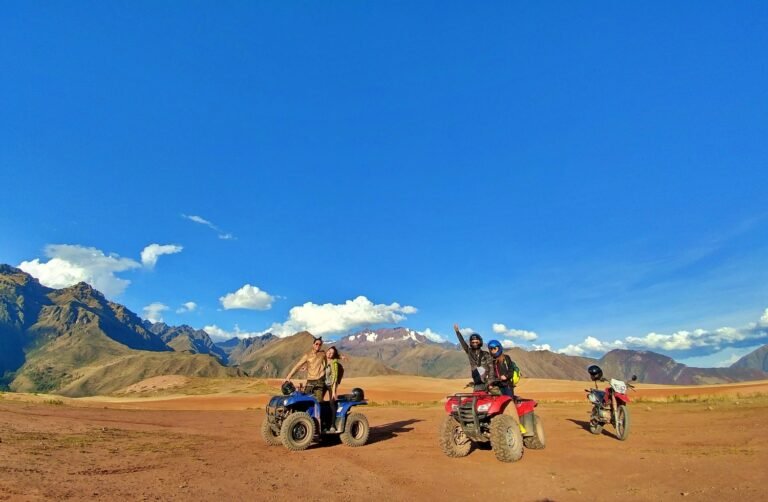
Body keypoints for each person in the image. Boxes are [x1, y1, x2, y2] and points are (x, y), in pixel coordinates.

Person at [284, 336, 327, 401]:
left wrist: (340, 357)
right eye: (316, 344)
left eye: (320, 344)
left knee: (319, 402)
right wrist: (288, 377)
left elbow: (330, 358)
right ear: (313, 345)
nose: (318, 345)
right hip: (310, 381)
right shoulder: (307, 355)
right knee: (305, 400)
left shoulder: (323, 354)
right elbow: (297, 366)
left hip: (319, 381)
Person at [454, 323, 493, 389]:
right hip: (477, 381)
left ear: (480, 342)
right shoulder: (469, 352)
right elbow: (463, 343)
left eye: (476, 342)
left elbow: (491, 368)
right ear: (470, 343)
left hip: (487, 382)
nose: (475, 344)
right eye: (473, 342)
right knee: (476, 397)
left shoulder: (486, 354)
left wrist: (490, 382)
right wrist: (457, 332)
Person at [323, 346, 344, 432]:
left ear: (333, 355)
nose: (329, 353)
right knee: (318, 401)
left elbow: (335, 378)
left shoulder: (334, 364)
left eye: (332, 353)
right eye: (329, 351)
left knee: (332, 403)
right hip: (322, 383)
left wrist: (334, 391)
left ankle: (333, 425)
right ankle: (323, 423)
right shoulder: (323, 359)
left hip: (331, 384)